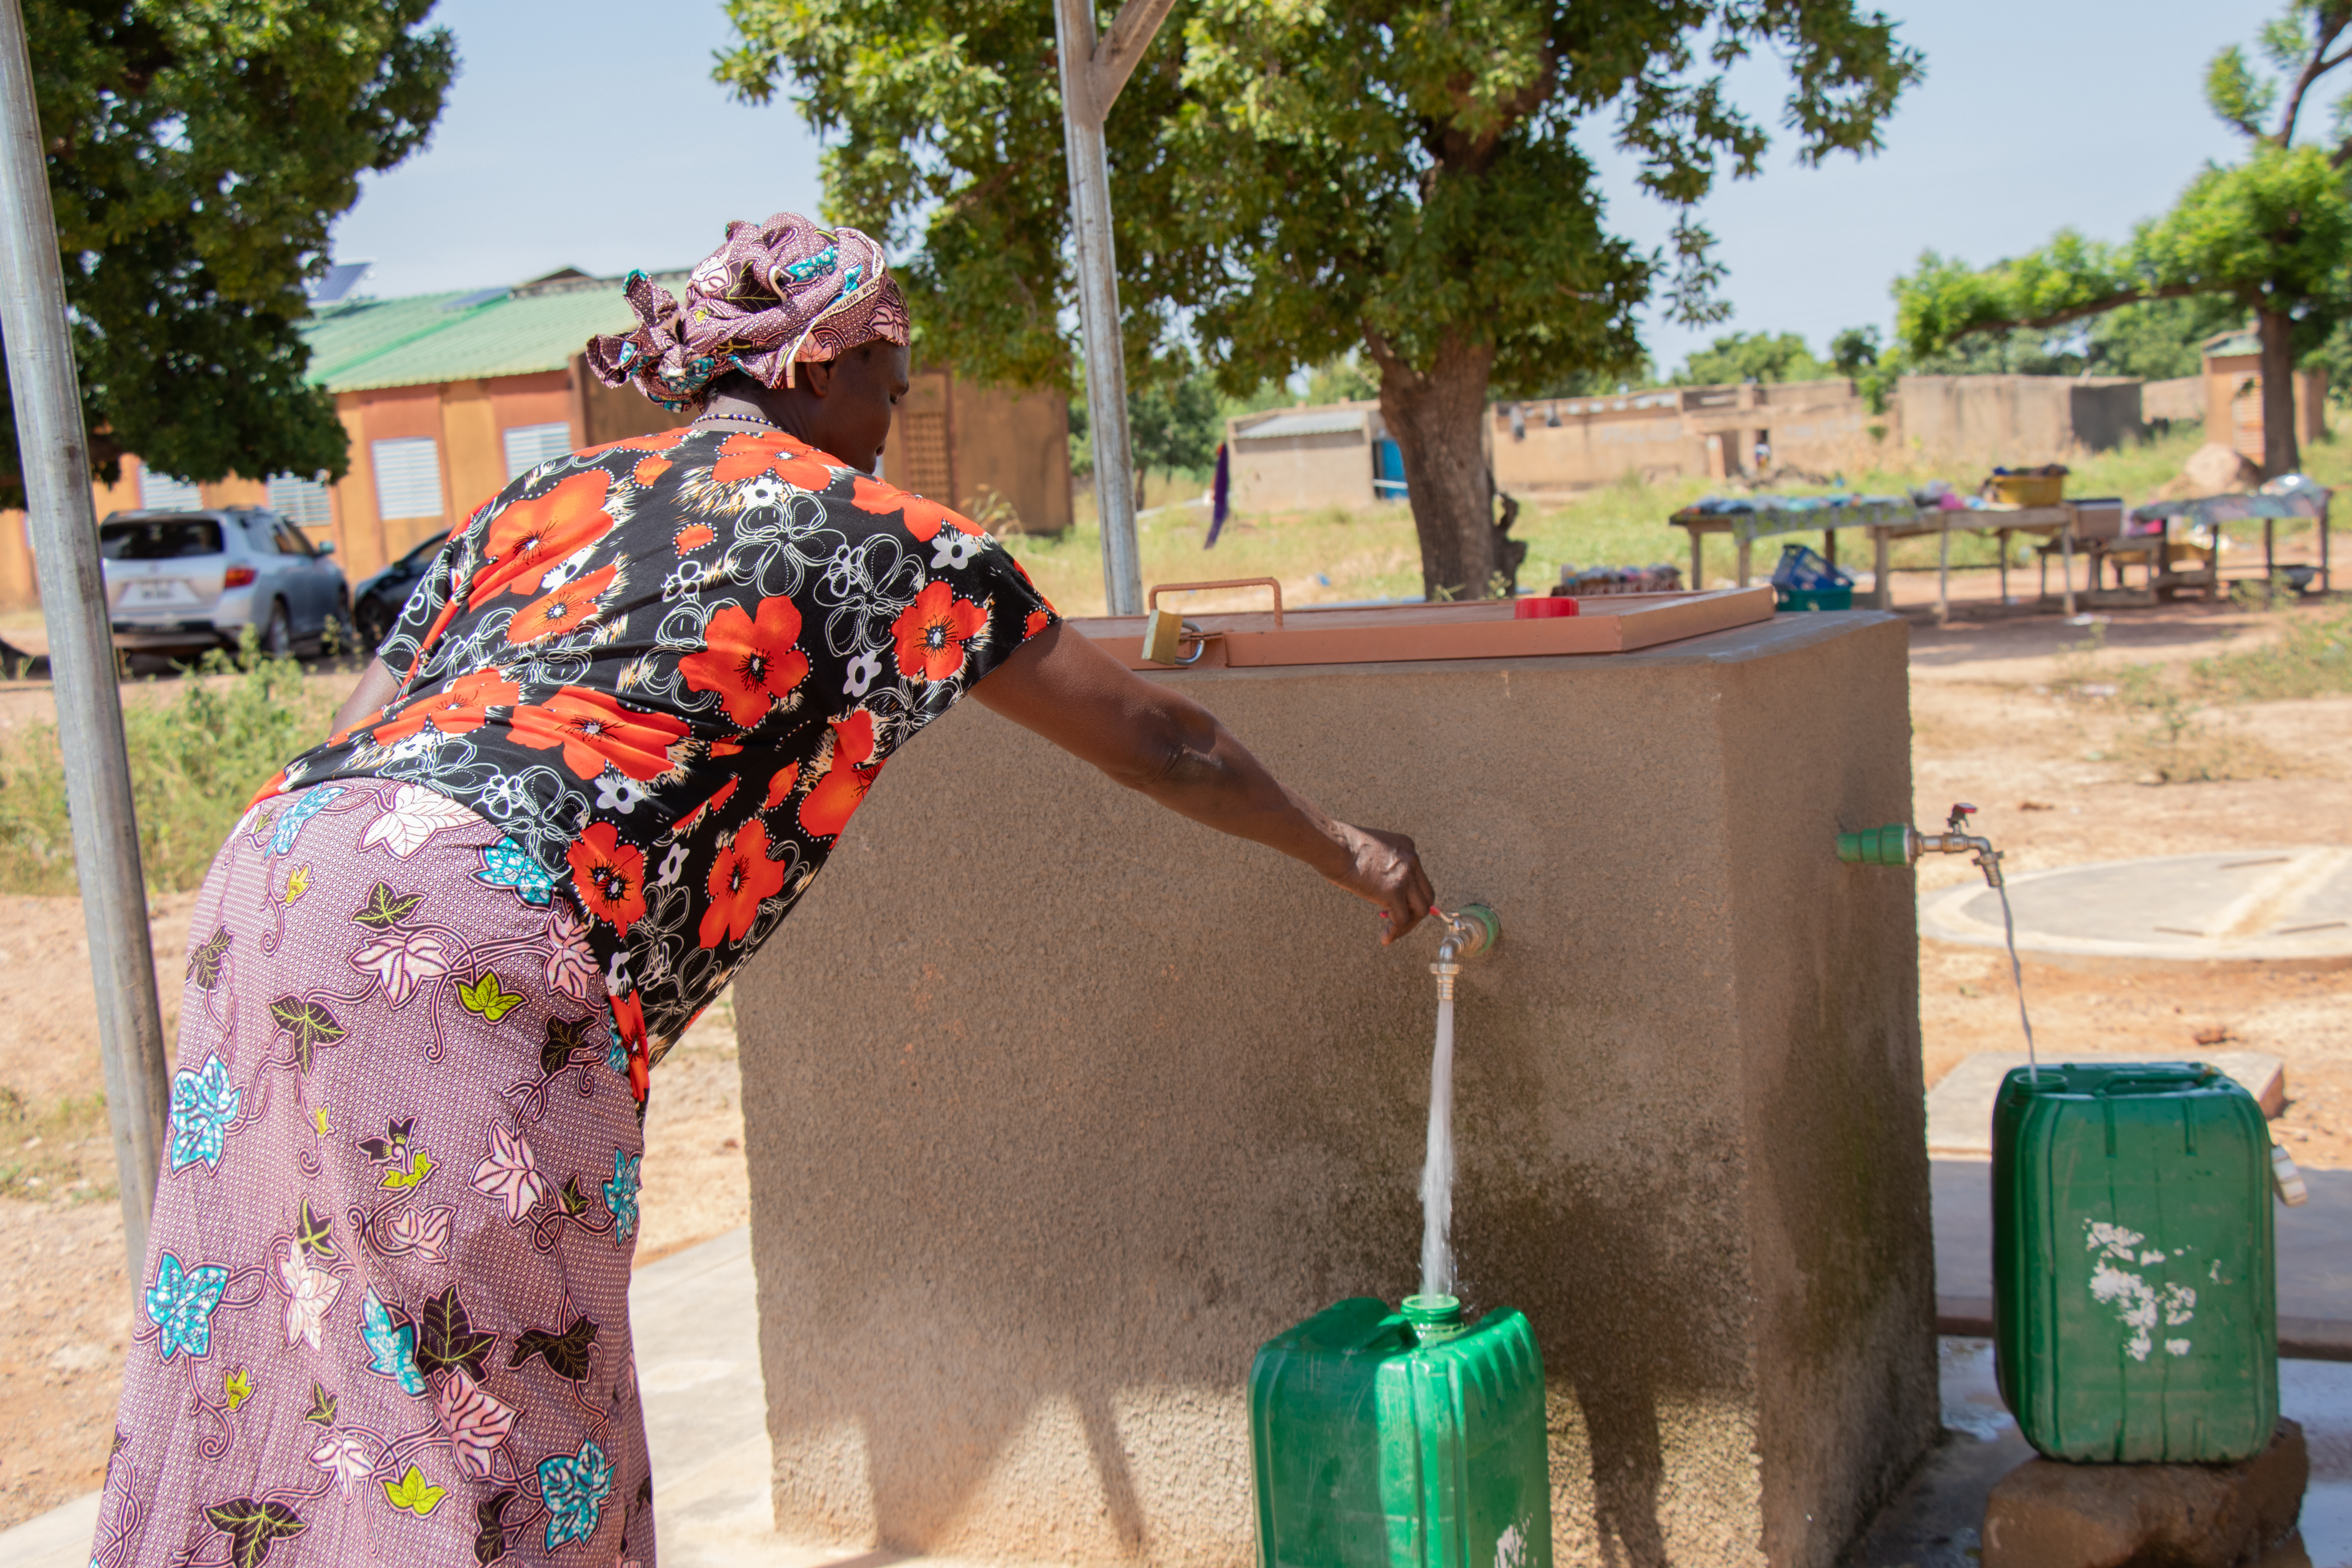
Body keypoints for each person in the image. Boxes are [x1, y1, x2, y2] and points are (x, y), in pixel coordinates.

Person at [90, 212, 1432, 1568]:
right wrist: (1351, 849)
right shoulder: (879, 536)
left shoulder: (548, 494)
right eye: (886, 394)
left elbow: (372, 715)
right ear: (807, 366)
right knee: (498, 1393)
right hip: (472, 913)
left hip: (279, 871)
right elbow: (1169, 743)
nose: (887, 435)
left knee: (279, 1330)